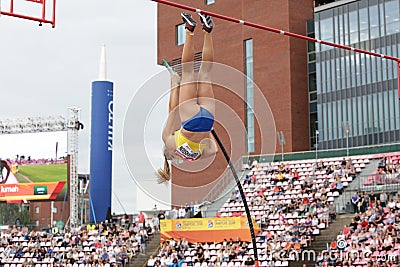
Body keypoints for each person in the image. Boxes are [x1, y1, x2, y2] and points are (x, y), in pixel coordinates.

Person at [157, 12, 218, 183]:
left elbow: (214, 150)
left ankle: (207, 31)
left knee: (205, 73)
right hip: (190, 119)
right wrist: (174, 84)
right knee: (188, 71)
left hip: (207, 120)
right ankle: (189, 30)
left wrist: (209, 131)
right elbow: (172, 111)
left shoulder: (193, 157)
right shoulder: (169, 142)